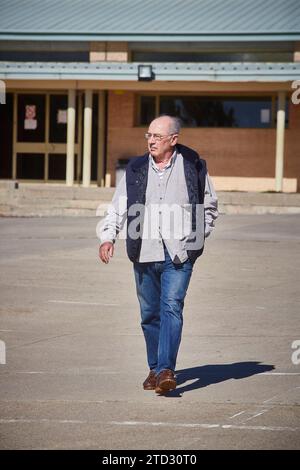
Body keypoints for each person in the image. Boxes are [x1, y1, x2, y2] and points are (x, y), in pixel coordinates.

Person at [98, 115, 218, 394]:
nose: (150, 141)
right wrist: (108, 237)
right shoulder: (137, 168)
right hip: (144, 250)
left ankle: (166, 369)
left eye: (156, 136)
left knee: (172, 307)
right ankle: (154, 368)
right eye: (148, 135)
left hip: (179, 252)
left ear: (173, 140)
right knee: (149, 313)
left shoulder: (194, 165)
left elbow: (209, 207)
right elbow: (119, 206)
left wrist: (196, 240)